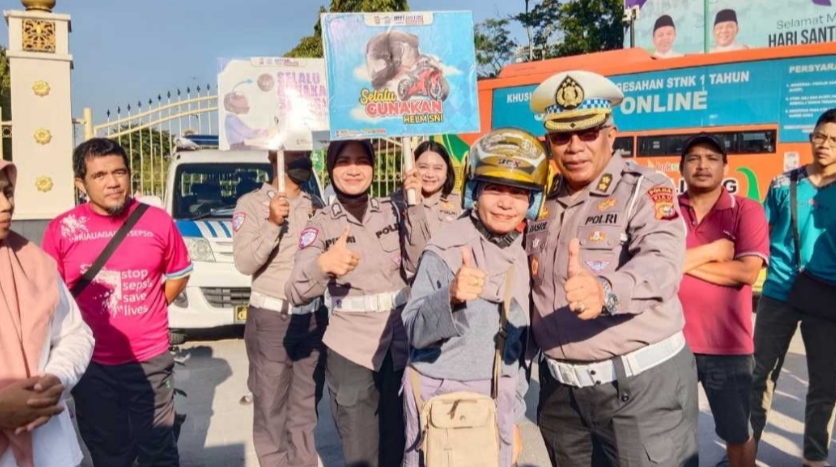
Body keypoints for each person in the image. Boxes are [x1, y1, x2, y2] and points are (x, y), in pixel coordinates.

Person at [527, 70, 698, 466]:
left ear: (611, 133)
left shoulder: (645, 189)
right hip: (561, 398)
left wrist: (606, 290)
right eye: (561, 136)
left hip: (639, 393)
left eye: (587, 132)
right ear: (549, 142)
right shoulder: (540, 202)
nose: (574, 147)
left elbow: (662, 263)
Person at [42, 138, 193, 466]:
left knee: (159, 452)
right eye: (100, 176)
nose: (113, 182)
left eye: (119, 172)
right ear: (80, 183)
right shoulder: (62, 230)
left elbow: (180, 272)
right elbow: (49, 296)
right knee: (110, 455)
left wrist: (152, 307)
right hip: (92, 367)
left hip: (151, 361)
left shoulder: (157, 221)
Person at [401, 128, 548, 466]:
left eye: (519, 192)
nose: (506, 203)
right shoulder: (445, 248)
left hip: (498, 403)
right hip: (442, 406)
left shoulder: (522, 251)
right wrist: (449, 297)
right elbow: (414, 330)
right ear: (474, 192)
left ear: (532, 202)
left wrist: (514, 416)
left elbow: (519, 352)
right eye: (495, 189)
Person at [285, 139, 409, 467]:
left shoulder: (394, 211)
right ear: (330, 169)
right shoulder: (321, 223)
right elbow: (295, 289)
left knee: (399, 445)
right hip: (352, 351)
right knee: (361, 453)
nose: (353, 169)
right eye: (344, 162)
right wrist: (323, 265)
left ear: (373, 167)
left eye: (361, 161)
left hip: (399, 346)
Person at [750, 108, 836, 467]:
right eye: (820, 136)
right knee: (759, 376)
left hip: (828, 299)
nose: (825, 145)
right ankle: (745, 451)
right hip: (779, 294)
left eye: (834, 140)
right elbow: (759, 237)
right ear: (810, 138)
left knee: (825, 384)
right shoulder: (783, 184)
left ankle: (813, 457)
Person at [677, 133, 769, 467]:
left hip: (727, 349)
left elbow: (746, 272)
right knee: (674, 435)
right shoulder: (667, 213)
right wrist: (715, 253)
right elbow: (654, 268)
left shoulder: (747, 210)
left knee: (736, 433)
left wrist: (683, 261)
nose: (702, 165)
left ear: (725, 167)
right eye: (694, 158)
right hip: (671, 345)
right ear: (682, 167)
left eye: (712, 158)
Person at [232, 149, 327, 467]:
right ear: (275, 154)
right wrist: (273, 222)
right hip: (272, 318)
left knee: (304, 410)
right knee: (271, 409)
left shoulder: (317, 205)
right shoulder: (252, 204)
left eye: (306, 151)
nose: (302, 158)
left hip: (313, 318)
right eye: (294, 151)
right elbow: (245, 263)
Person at [0, 160, 95, 467]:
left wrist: (55, 379)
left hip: (47, 448)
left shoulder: (34, 263)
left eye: (8, 192)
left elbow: (75, 333)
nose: (6, 205)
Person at [391, 140, 462, 274]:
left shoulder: (459, 203)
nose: (430, 174)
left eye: (437, 168)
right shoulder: (394, 203)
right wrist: (413, 203)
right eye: (423, 167)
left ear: (447, 172)